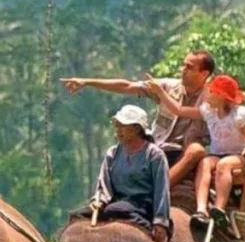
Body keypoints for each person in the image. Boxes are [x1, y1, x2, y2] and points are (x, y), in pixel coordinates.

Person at [61, 50, 216, 196]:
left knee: (196, 150)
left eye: (189, 67)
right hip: (157, 145)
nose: (183, 69)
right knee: (122, 144)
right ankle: (102, 196)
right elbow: (127, 86)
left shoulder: (213, 98)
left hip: (184, 150)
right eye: (183, 65)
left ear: (204, 73)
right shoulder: (168, 86)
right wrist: (87, 82)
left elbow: (231, 114)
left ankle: (157, 190)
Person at [145, 74, 245, 231]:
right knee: (205, 163)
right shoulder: (208, 112)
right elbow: (179, 110)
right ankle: (201, 209)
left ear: (221, 96)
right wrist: (160, 92)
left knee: (224, 165)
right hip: (217, 154)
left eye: (211, 91)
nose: (208, 94)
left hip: (238, 155)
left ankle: (219, 208)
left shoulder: (240, 114)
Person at [71, 105, 172, 242]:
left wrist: (161, 221)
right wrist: (99, 201)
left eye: (122, 125)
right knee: (77, 216)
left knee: (116, 210)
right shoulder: (112, 154)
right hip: (115, 203)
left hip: (141, 205)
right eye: (116, 125)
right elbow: (103, 185)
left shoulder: (154, 155)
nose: (118, 130)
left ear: (137, 128)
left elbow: (162, 190)